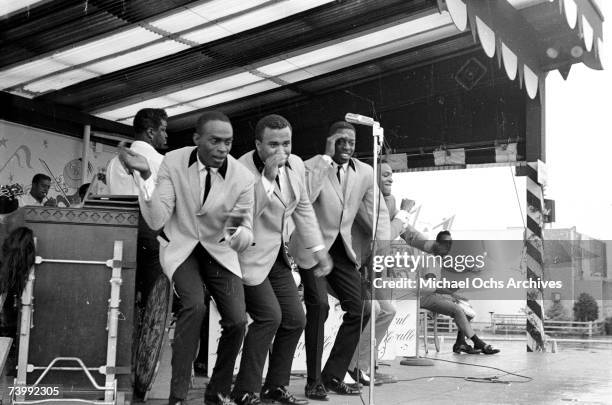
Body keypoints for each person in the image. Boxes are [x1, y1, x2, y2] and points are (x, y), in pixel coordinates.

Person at [119, 111, 255, 405]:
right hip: (181, 247)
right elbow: (157, 218)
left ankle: (217, 391)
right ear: (196, 139)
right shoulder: (173, 161)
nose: (222, 149)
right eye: (215, 141)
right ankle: (177, 396)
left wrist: (240, 234)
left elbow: (241, 232)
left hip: (219, 251)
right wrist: (144, 176)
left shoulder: (243, 179)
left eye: (228, 142)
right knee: (193, 306)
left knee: (237, 321)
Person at [234, 114, 333, 405]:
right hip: (245, 255)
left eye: (287, 143)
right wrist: (266, 177)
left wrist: (318, 250)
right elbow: (243, 218)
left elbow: (302, 208)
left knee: (295, 319)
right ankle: (245, 391)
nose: (282, 150)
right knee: (269, 317)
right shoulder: (239, 170)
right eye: (273, 144)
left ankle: (274, 386)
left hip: (276, 253)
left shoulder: (297, 164)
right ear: (257, 144)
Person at [289, 121, 390, 400]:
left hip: (340, 249)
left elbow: (378, 213)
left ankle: (333, 374)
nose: (346, 146)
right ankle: (312, 381)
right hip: (311, 248)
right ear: (330, 140)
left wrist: (382, 249)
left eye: (351, 142)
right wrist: (324, 159)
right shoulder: (312, 165)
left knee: (363, 308)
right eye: (340, 141)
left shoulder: (365, 172)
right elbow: (303, 199)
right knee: (319, 308)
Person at [348, 161, 452, 385]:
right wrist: (403, 214)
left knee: (386, 311)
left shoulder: (390, 201)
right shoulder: (362, 198)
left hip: (373, 271)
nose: (390, 179)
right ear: (370, 177)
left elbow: (406, 231)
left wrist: (433, 247)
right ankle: (354, 367)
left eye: (391, 176)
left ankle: (362, 367)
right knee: (374, 311)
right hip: (353, 267)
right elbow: (382, 235)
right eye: (384, 175)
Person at [420, 231, 500, 355]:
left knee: (466, 309)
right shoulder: (430, 260)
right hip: (424, 297)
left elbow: (452, 268)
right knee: (458, 310)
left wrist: (469, 270)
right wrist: (451, 292)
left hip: (432, 294)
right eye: (445, 243)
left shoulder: (438, 258)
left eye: (450, 243)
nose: (448, 246)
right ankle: (478, 342)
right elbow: (431, 286)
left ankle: (460, 343)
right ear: (437, 243)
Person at [106, 108, 168, 195]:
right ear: (150, 132)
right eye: (163, 130)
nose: (166, 135)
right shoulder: (162, 162)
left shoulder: (113, 163)